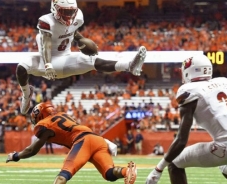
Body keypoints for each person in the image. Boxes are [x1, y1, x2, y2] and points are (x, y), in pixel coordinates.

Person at [145, 55, 227, 184]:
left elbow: (181, 140)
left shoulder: (189, 91)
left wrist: (158, 169)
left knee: (174, 164)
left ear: (189, 72)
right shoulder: (223, 84)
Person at [17, 0, 147, 114]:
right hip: (47, 62)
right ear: (54, 8)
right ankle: (26, 94)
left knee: (92, 60)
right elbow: (46, 45)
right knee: (22, 66)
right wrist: (48, 65)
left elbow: (71, 31)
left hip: (65, 59)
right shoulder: (47, 21)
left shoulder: (78, 16)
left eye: (71, 12)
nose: (69, 16)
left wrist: (82, 40)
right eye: (65, 12)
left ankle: (129, 66)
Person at [6, 102, 137, 184]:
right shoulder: (63, 115)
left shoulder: (45, 124)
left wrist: (15, 156)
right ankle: (127, 171)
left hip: (83, 141)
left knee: (64, 175)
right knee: (109, 173)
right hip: (97, 139)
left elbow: (32, 150)